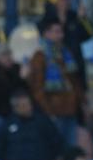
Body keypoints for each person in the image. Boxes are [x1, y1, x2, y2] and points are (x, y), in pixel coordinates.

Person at [28, 16, 85, 147]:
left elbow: (74, 80)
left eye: (61, 32)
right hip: (53, 111)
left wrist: (81, 101)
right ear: (46, 34)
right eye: (57, 31)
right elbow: (36, 87)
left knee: (71, 148)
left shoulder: (66, 54)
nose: (61, 35)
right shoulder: (40, 56)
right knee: (55, 147)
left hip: (70, 109)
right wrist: (47, 110)